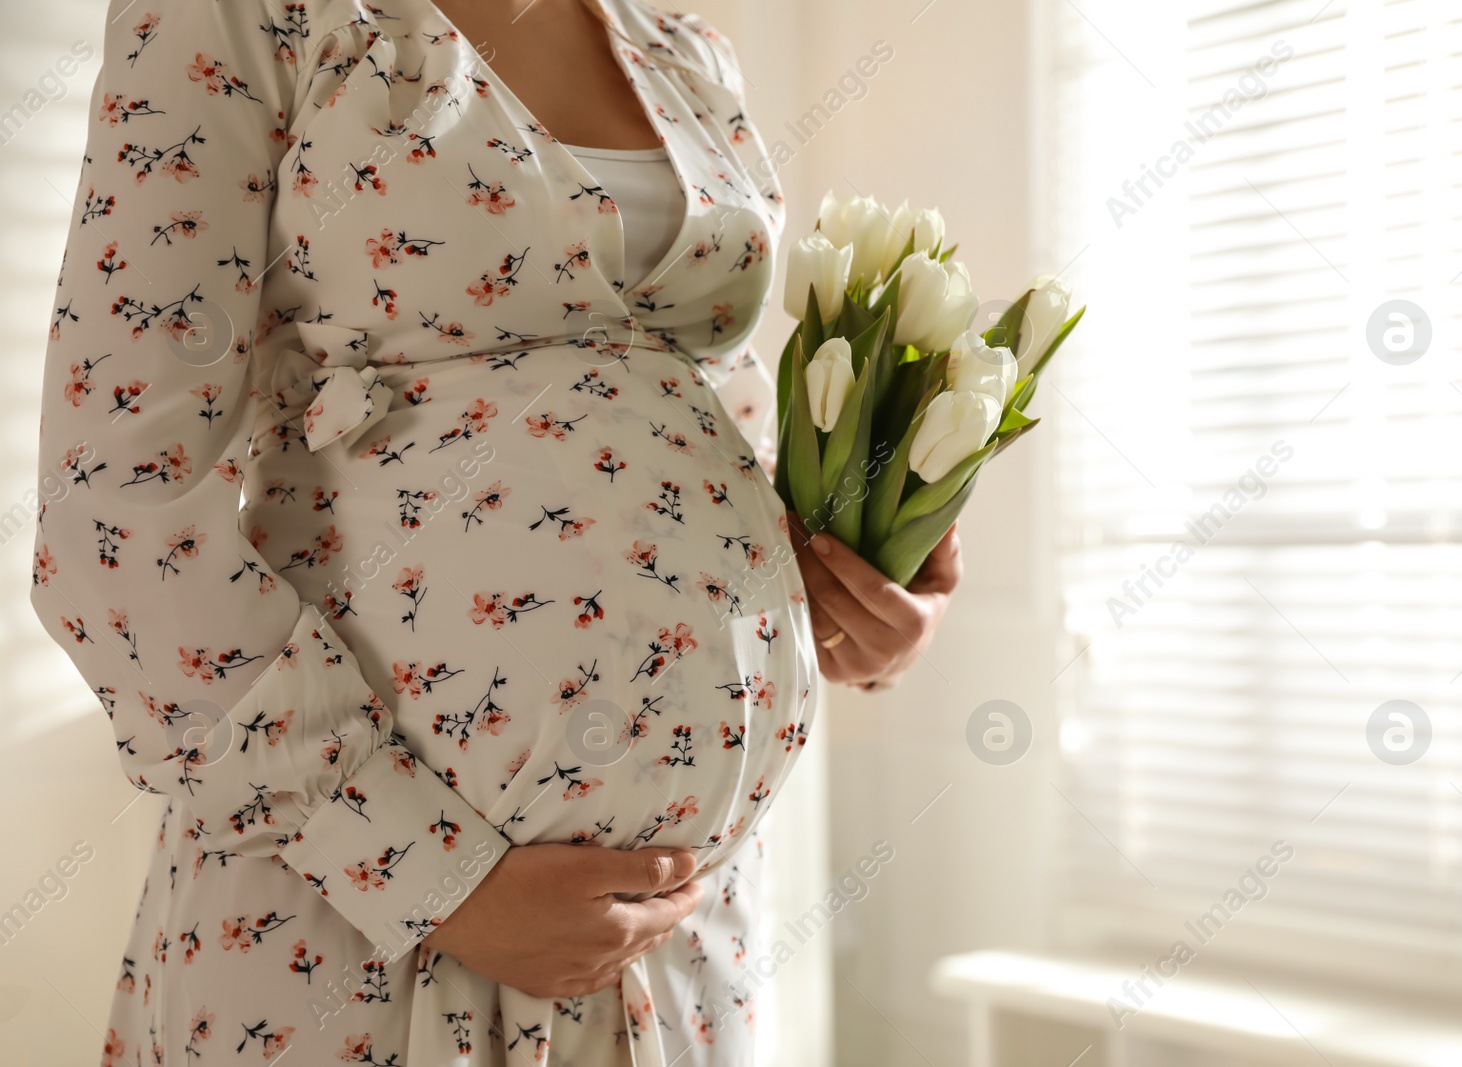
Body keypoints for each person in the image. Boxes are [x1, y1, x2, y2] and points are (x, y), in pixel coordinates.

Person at [31, 0, 960, 1063]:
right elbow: (113, 514)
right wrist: (423, 871)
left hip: (676, 935)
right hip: (359, 913)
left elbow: (712, 419)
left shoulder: (679, 42)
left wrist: (856, 589)